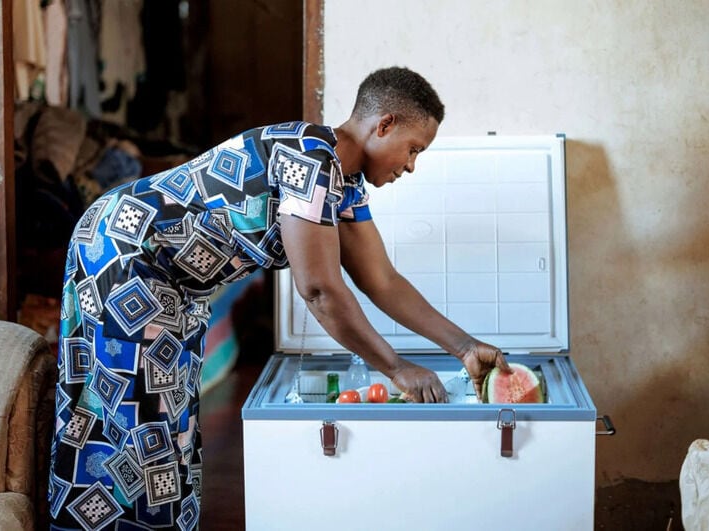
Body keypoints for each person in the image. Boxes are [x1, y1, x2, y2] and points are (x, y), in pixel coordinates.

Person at [48, 66, 509, 529]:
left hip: (170, 279)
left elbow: (382, 281)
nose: (410, 165)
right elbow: (319, 290)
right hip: (125, 251)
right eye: (412, 149)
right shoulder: (309, 158)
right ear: (383, 124)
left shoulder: (343, 182)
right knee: (137, 423)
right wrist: (395, 368)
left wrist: (464, 346)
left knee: (172, 427)